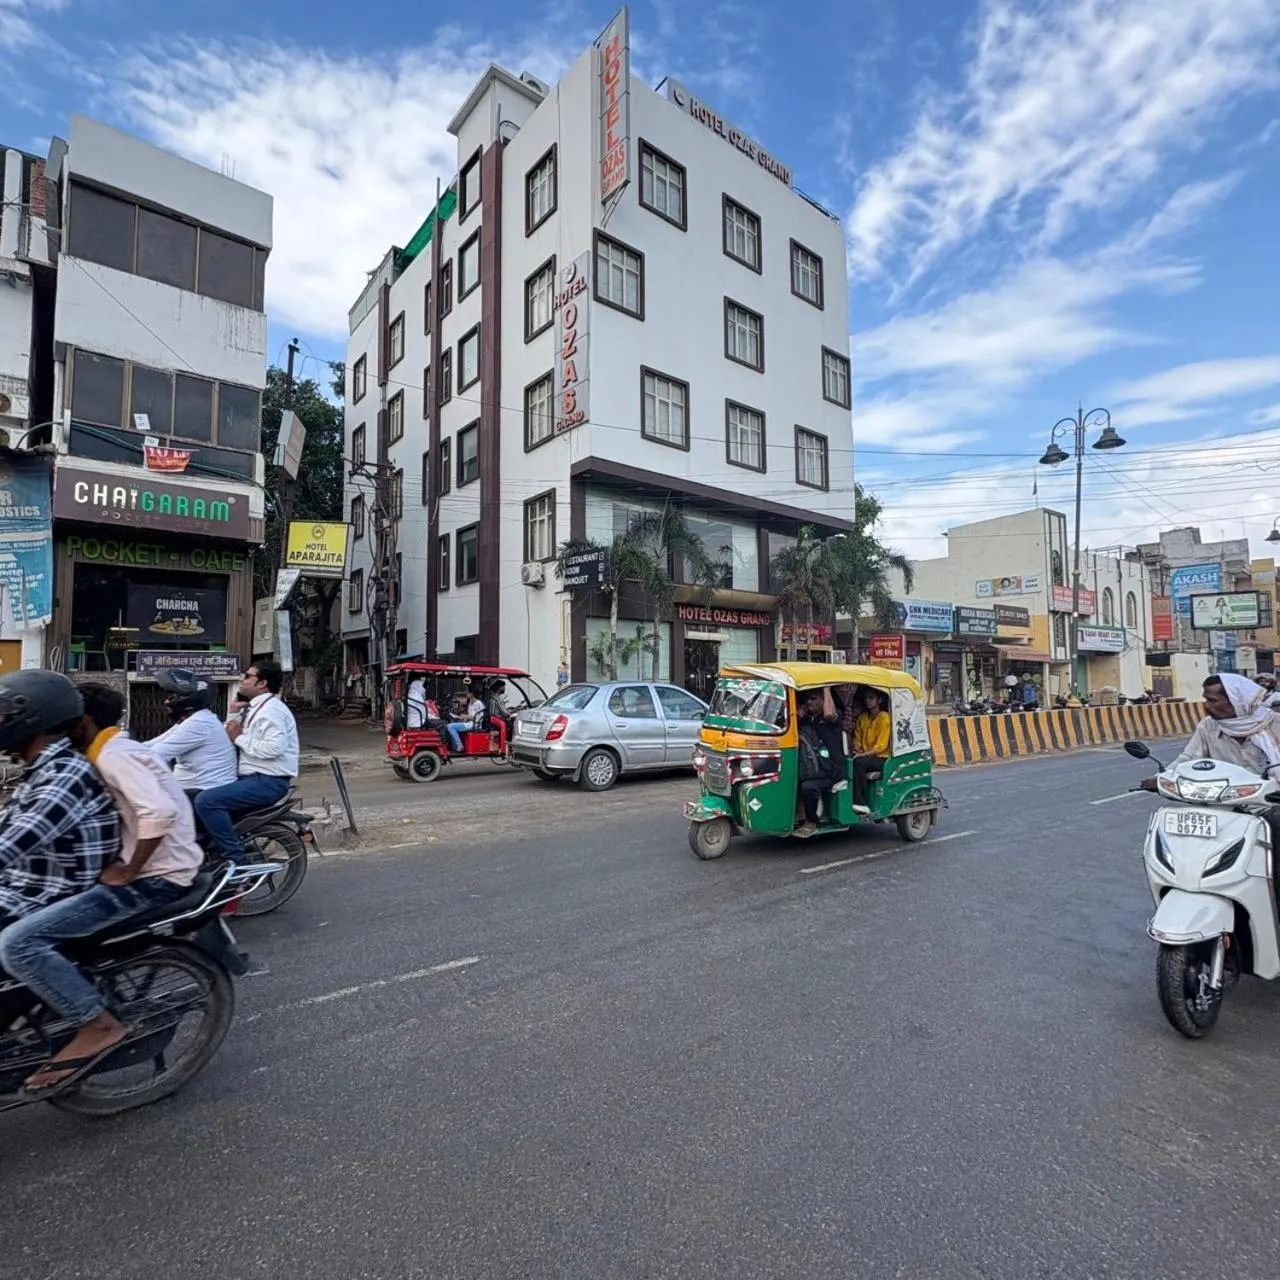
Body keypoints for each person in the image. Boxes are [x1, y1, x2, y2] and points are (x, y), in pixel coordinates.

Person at [0, 682, 205, 1094]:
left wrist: (129, 871)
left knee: (17, 944)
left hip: (156, 877)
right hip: (97, 871)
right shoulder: (87, 757)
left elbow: (160, 812)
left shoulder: (104, 759)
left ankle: (97, 1024)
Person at [0, 670, 119, 931]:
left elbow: (15, 842)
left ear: (32, 718)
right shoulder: (43, 768)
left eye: (4, 716)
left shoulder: (66, 774)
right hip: (20, 884)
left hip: (44, 896)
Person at [193, 661, 298, 863]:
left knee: (207, 801)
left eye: (248, 676)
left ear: (262, 683)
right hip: (252, 779)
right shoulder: (254, 708)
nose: (243, 679)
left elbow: (274, 748)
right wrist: (233, 712)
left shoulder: (271, 710)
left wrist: (239, 738)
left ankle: (236, 861)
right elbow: (230, 732)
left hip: (267, 781)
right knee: (195, 795)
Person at [1139, 674, 1280, 792]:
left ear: (1236, 702)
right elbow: (1189, 758)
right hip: (1225, 800)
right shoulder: (1208, 726)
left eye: (1212, 700)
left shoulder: (1274, 723)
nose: (1206, 705)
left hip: (1270, 802)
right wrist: (1162, 777)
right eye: (1205, 699)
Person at [147, 667, 238, 792]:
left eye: (171, 696)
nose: (166, 701)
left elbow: (155, 754)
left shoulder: (199, 723)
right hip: (191, 787)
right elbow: (152, 744)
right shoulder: (194, 719)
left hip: (203, 789)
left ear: (189, 698)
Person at [795, 687, 846, 838]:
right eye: (807, 699)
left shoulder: (832, 718)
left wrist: (826, 687)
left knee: (808, 786)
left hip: (831, 770)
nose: (809, 702)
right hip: (812, 767)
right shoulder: (807, 720)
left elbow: (829, 713)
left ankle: (812, 821)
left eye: (814, 699)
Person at [850, 687, 892, 815]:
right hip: (867, 756)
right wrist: (856, 747)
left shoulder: (884, 717)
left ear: (879, 700)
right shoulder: (863, 717)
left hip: (882, 758)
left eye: (871, 698)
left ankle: (861, 802)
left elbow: (881, 746)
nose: (868, 701)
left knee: (859, 763)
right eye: (866, 698)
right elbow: (856, 737)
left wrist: (862, 754)